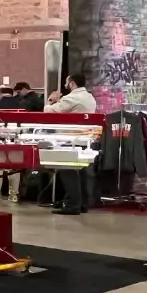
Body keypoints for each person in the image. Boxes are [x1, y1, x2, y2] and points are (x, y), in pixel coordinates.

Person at [45, 74, 97, 215]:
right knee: (81, 173)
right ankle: (82, 204)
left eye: (66, 83)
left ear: (72, 84)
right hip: (84, 140)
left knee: (68, 172)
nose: (65, 85)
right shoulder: (90, 97)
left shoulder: (71, 98)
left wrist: (51, 100)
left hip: (69, 140)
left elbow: (49, 112)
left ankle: (72, 205)